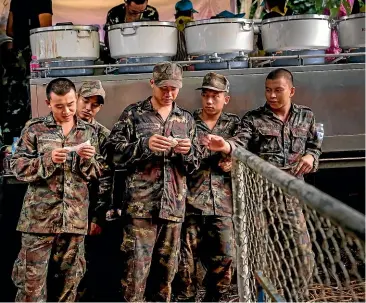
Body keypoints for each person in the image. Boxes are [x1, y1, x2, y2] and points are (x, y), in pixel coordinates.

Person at [106, 61, 201, 302]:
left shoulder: (186, 120)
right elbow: (111, 153)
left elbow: (195, 165)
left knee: (165, 276)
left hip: (172, 209)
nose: (168, 93)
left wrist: (188, 152)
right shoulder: (134, 114)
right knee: (134, 275)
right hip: (140, 209)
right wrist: (143, 146)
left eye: (174, 88)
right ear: (152, 84)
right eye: (163, 88)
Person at [10, 77, 106, 302]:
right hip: (38, 222)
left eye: (71, 104)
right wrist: (47, 160)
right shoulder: (35, 129)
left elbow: (98, 172)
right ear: (48, 103)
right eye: (59, 106)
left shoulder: (88, 132)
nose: (67, 111)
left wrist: (88, 161)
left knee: (68, 286)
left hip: (74, 220)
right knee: (30, 287)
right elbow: (18, 167)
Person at [237, 68, 322, 298]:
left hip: (291, 199)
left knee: (303, 258)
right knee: (261, 260)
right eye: (268, 90)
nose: (272, 96)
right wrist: (225, 147)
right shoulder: (253, 120)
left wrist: (311, 157)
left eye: (278, 90)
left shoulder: (306, 116)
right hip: (260, 199)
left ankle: (295, 298)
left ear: (291, 91)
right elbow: (238, 144)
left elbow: (315, 146)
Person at [173, 72, 240, 302]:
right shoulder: (186, 122)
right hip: (190, 205)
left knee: (225, 261)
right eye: (206, 95)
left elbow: (246, 153)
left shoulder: (234, 125)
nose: (209, 101)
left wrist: (232, 161)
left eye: (215, 96)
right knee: (184, 267)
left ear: (226, 99)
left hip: (222, 206)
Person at [74, 81, 113, 301]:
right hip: (57, 211)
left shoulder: (102, 136)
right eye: (86, 101)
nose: (89, 107)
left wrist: (98, 216)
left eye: (95, 104)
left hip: (87, 211)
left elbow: (106, 180)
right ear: (77, 98)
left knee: (87, 267)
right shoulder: (61, 128)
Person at [3, 0, 52, 144]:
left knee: (14, 98)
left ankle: (11, 142)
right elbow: (45, 27)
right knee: (33, 96)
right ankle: (31, 140)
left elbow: (9, 30)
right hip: (33, 54)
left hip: (16, 55)